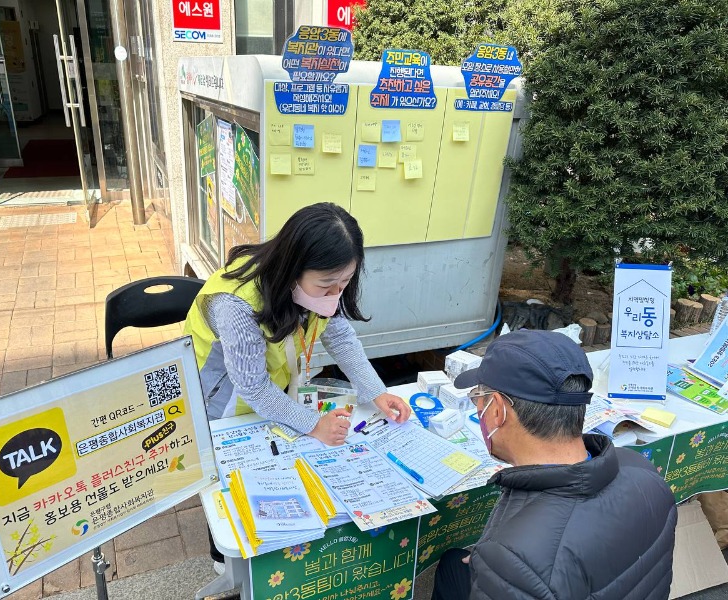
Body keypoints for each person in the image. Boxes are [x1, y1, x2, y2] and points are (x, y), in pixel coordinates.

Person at [183, 202, 411, 571]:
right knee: (227, 494)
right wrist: (314, 424)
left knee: (270, 488)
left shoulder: (315, 290)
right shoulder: (235, 304)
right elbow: (253, 389)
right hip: (220, 407)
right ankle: (224, 563)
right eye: (326, 285)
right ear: (293, 270)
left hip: (273, 400)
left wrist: (377, 391)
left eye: (346, 282)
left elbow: (342, 339)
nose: (336, 294)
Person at [432, 330, 677, 600]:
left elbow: (536, 563)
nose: (477, 406)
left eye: (479, 396)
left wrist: (498, 568)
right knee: (454, 563)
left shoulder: (515, 561)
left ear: (498, 410)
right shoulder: (640, 468)